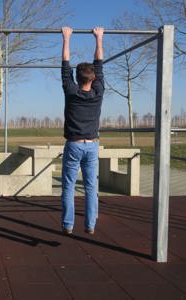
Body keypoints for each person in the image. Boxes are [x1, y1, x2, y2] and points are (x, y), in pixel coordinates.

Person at [60, 26, 104, 235]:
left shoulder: (70, 91)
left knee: (68, 186)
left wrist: (66, 38)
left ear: (77, 79)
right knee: (90, 187)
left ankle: (68, 225)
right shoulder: (98, 91)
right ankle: (90, 225)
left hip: (74, 145)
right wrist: (99, 39)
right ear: (93, 78)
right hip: (92, 145)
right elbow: (99, 64)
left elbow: (65, 65)